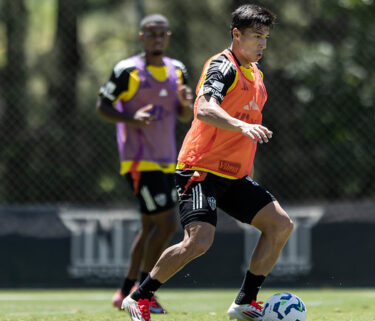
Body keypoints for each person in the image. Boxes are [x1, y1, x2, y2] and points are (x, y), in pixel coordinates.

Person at [121, 4, 293, 321]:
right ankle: (140, 297)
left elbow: (245, 132)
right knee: (199, 241)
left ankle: (245, 302)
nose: (262, 44)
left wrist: (247, 170)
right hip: (200, 171)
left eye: (265, 37)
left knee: (280, 225)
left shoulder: (256, 74)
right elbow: (203, 108)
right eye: (256, 36)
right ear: (236, 34)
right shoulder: (221, 66)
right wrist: (241, 125)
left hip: (235, 176)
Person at [96, 13, 193, 315]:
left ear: (169, 36)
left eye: (162, 33)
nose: (157, 38)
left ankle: (126, 290)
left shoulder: (177, 70)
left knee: (151, 225)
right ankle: (143, 292)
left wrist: (186, 103)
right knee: (167, 223)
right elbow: (103, 106)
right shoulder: (127, 70)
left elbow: (184, 116)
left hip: (167, 160)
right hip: (138, 161)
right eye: (151, 33)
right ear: (141, 37)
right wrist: (131, 118)